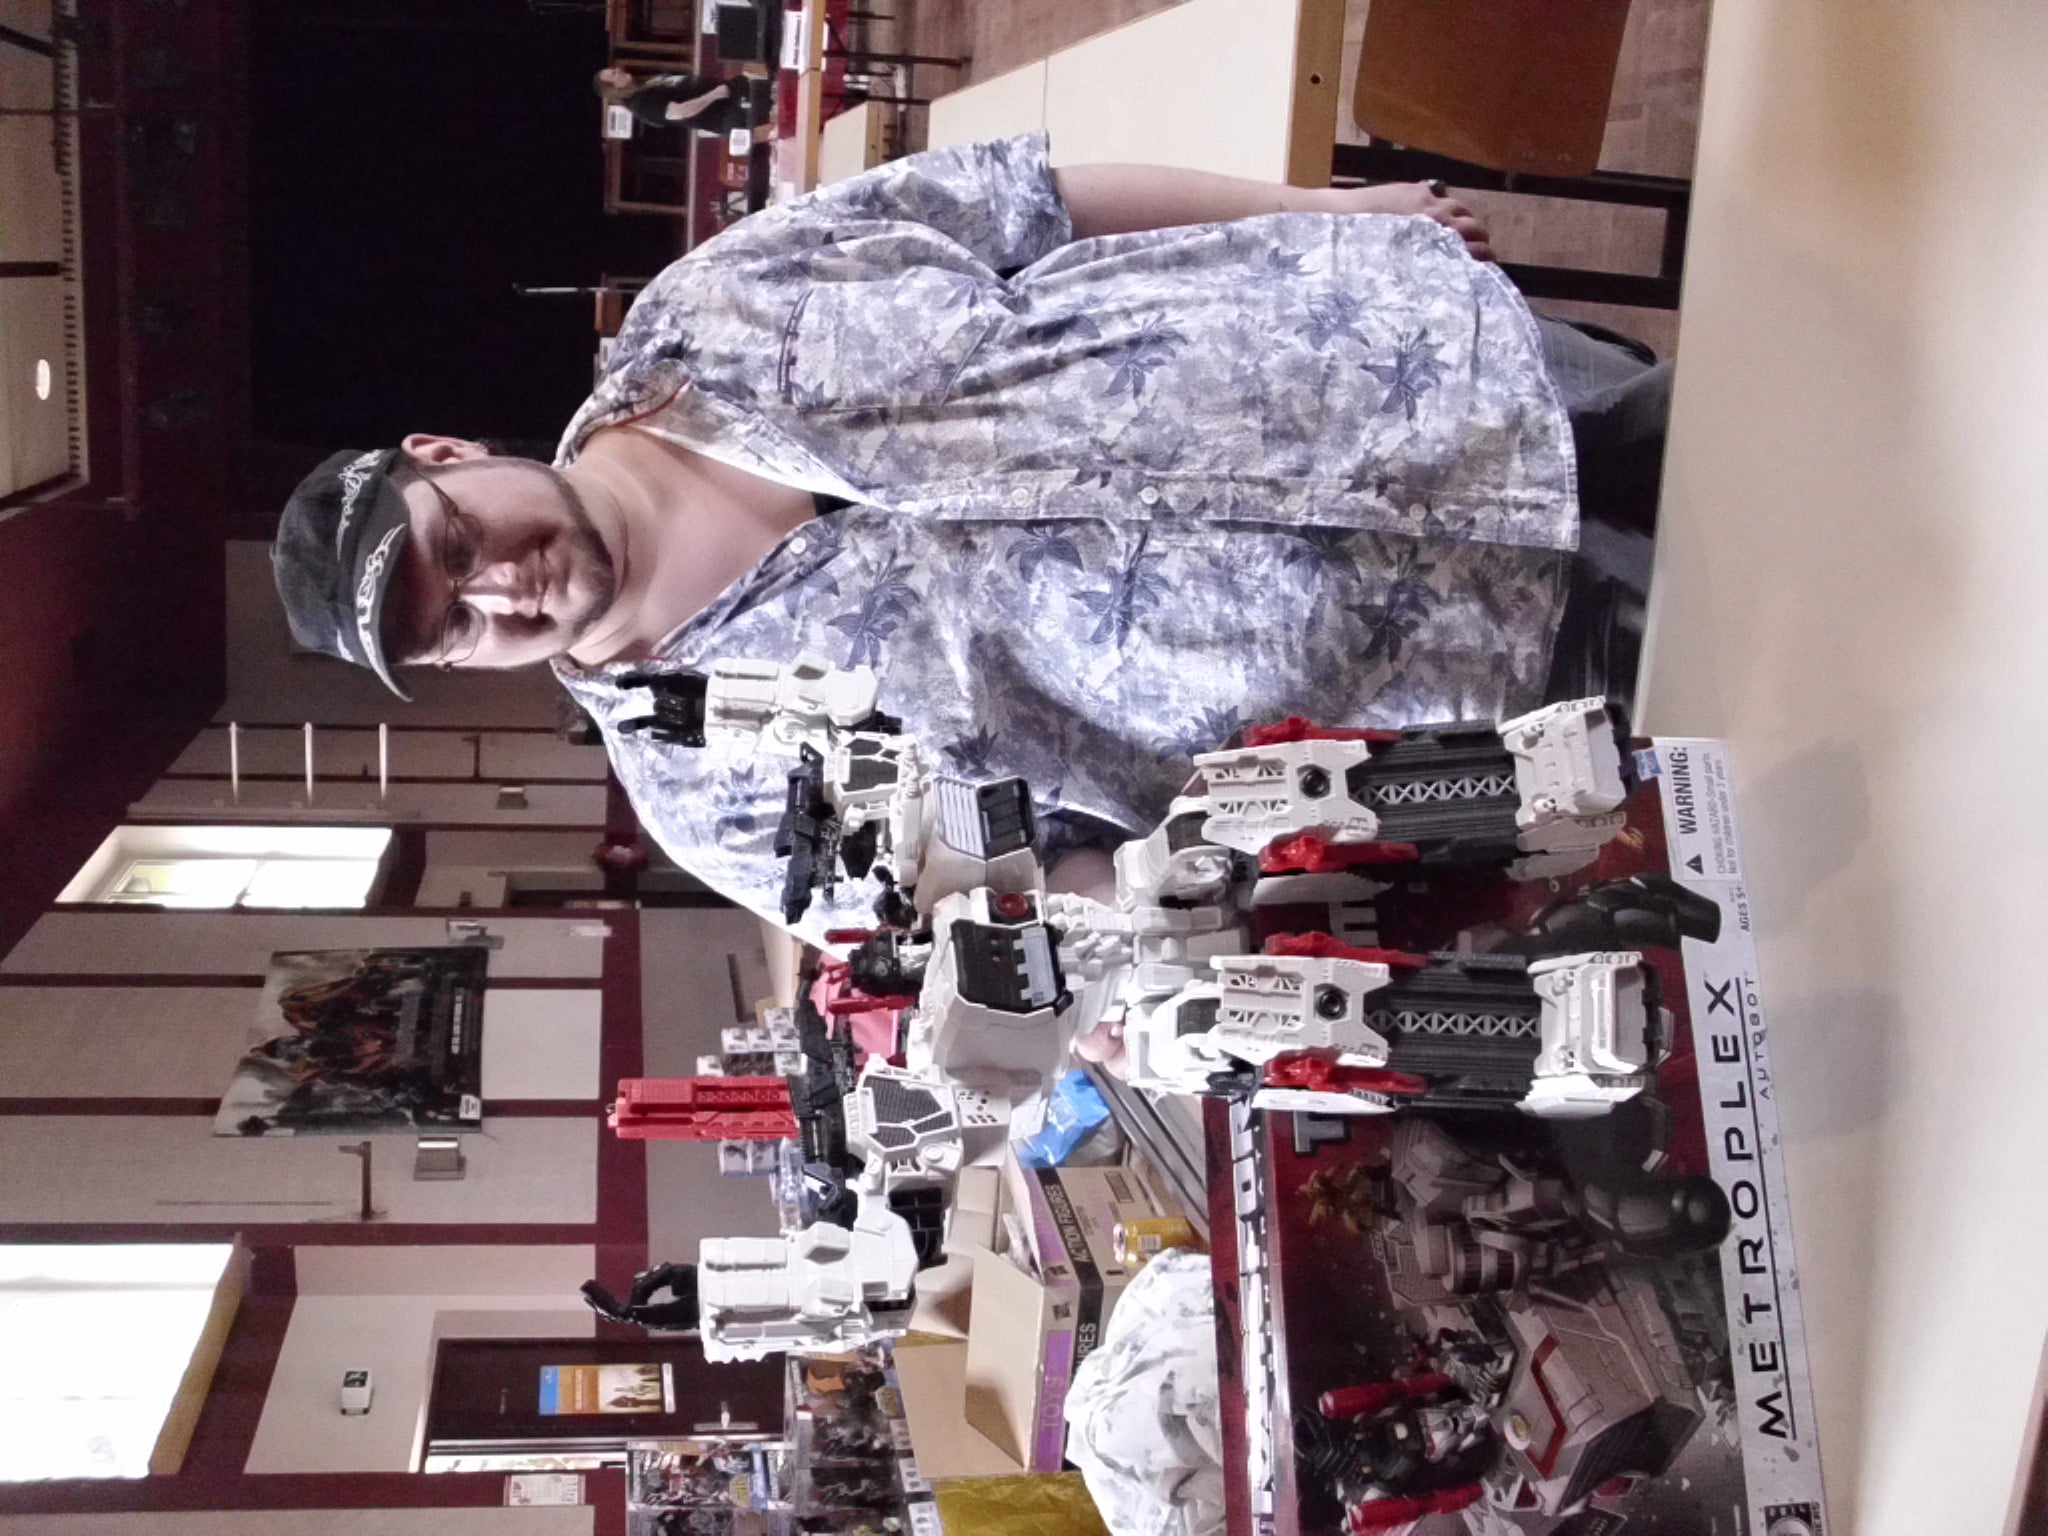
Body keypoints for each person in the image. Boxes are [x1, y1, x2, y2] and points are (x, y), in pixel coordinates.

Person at [272, 134, 1670, 942]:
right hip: (1455, 675)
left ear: (446, 454)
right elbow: (1026, 904)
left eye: (458, 543)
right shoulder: (711, 791)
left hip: (1437, 376)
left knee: (1762, 438)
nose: (498, 587)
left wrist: (1331, 208)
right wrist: (1147, 910)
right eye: (455, 625)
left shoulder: (703, 314)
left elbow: (1034, 201)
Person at [595, 65, 750, 137]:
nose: (618, 69)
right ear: (615, 89)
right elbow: (679, 112)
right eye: (613, 74)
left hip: (730, 93)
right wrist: (713, 95)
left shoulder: (642, 86)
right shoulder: (640, 103)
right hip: (726, 111)